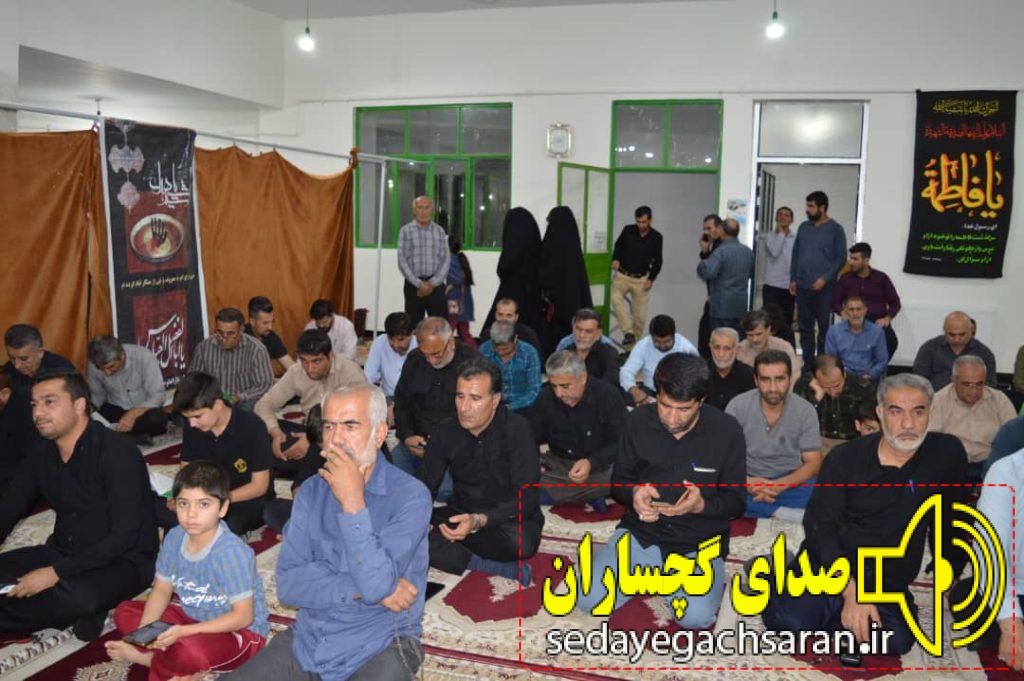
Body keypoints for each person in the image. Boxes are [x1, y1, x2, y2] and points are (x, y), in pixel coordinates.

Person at [226, 384, 430, 680]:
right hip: (310, 640)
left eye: (350, 426)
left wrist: (353, 503)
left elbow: (375, 586)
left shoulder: (411, 496)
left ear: (379, 433)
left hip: (380, 642)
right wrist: (361, 588)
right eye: (329, 426)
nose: (336, 439)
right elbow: (289, 587)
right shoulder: (311, 491)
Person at [761, 373, 969, 657]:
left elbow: (952, 519)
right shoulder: (844, 460)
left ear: (930, 413)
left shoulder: (945, 455)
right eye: (896, 412)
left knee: (895, 641)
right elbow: (821, 527)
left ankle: (841, 621)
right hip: (830, 567)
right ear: (880, 413)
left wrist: (951, 570)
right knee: (789, 624)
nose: (908, 424)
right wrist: (851, 592)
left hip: (886, 577)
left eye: (918, 412)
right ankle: (777, 573)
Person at [573, 353, 745, 627]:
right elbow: (619, 483)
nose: (672, 417)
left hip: (698, 543)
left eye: (683, 409)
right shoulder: (637, 421)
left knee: (695, 617)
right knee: (587, 599)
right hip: (642, 534)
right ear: (657, 394)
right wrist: (634, 495)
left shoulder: (727, 431)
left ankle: (670, 580)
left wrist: (701, 505)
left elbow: (736, 502)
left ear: (701, 401)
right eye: (665, 405)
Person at [0, 370, 157, 641]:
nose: (38, 413)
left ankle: (79, 607)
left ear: (79, 405)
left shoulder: (117, 452)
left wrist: (55, 573)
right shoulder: (41, 449)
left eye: (49, 402)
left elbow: (124, 536)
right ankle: (70, 609)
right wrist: (57, 568)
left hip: (124, 560)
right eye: (34, 404)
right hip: (65, 550)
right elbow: (10, 506)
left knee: (79, 597)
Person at [106, 461, 269, 680]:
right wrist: (146, 631)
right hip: (191, 618)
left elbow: (243, 617)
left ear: (223, 508)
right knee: (125, 612)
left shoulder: (232, 553)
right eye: (183, 504)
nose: (191, 514)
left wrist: (185, 632)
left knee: (189, 651)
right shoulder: (174, 537)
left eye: (203, 504)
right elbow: (162, 589)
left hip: (237, 632)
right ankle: (170, 661)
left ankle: (154, 661)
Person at [419, 359, 542, 586]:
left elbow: (528, 498)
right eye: (460, 396)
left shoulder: (517, 429)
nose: (464, 407)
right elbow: (425, 485)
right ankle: (491, 566)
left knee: (521, 544)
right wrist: (418, 518)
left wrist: (479, 521)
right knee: (403, 530)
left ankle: (459, 548)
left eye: (475, 398)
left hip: (506, 516)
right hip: (462, 511)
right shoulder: (445, 431)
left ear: (495, 400)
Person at [174, 373, 275, 536]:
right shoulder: (194, 427)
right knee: (172, 515)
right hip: (207, 496)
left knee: (226, 525)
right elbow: (187, 470)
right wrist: (183, 498)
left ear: (218, 405)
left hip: (245, 498)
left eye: (197, 416)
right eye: (188, 418)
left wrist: (217, 500)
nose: (192, 424)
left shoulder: (252, 427)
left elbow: (259, 486)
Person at [726, 350, 821, 521]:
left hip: (790, 481)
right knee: (717, 486)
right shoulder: (737, 406)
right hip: (748, 479)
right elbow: (724, 459)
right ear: (756, 380)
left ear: (790, 379)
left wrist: (779, 485)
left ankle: (760, 509)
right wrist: (747, 483)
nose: (773, 388)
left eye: (779, 379)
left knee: (826, 489)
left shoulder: (805, 410)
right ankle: (780, 511)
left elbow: (813, 463)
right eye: (765, 379)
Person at [392, 317, 478, 498]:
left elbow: (478, 417)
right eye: (426, 355)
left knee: (443, 492)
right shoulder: (415, 359)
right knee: (390, 478)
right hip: (417, 441)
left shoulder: (473, 364)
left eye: (436, 354)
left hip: (453, 446)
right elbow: (402, 402)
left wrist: (442, 445)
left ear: (450, 342)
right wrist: (407, 436)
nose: (431, 361)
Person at [529, 351, 626, 506]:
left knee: (623, 474)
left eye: (565, 386)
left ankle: (572, 494)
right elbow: (530, 436)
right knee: (516, 468)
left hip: (600, 467)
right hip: (559, 465)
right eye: (554, 386)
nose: (558, 393)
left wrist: (591, 463)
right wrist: (534, 462)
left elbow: (622, 442)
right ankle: (589, 495)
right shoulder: (546, 397)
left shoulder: (607, 395)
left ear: (582, 378)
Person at [961, 451, 1024, 670]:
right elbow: (989, 551)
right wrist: (1011, 624)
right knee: (969, 602)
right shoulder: (1007, 471)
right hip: (1013, 587)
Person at [927, 355, 1016, 479]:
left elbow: (1013, 437)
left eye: (979, 384)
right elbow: (931, 441)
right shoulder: (938, 401)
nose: (974, 391)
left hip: (991, 464)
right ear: (953, 380)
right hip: (951, 465)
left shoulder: (999, 400)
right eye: (967, 384)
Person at [2, 324, 75, 470]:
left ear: (40, 352)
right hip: (16, 442)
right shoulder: (9, 370)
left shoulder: (61, 371)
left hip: (50, 441)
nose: (17, 365)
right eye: (12, 358)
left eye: (23, 359)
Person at [789, 190, 847, 366]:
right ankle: (808, 364)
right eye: (807, 205)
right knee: (805, 328)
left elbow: (841, 258)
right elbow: (796, 254)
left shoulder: (836, 229)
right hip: (802, 287)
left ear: (822, 208)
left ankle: (822, 364)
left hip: (825, 289)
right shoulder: (803, 227)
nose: (807, 209)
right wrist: (793, 278)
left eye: (811, 206)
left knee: (823, 328)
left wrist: (825, 278)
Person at [86, 335, 168, 441]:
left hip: (143, 410)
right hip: (117, 411)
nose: (107, 373)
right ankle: (132, 436)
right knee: (94, 420)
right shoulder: (93, 365)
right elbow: (98, 396)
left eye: (111, 367)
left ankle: (120, 436)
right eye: (102, 369)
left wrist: (133, 413)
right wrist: (91, 410)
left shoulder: (143, 357)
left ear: (122, 355)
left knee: (157, 419)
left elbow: (158, 396)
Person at [190, 308, 273, 412]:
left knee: (249, 408)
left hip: (244, 401)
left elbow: (264, 385)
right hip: (213, 401)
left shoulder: (256, 350)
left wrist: (238, 397)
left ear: (241, 330)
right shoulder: (204, 348)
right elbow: (194, 379)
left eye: (230, 334)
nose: (224, 338)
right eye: (219, 332)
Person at [831, 242, 901, 359]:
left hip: (877, 321)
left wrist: (887, 318)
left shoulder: (881, 278)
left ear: (866, 260)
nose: (851, 262)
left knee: (891, 341)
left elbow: (895, 302)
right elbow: (834, 301)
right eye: (851, 258)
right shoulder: (845, 278)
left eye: (855, 259)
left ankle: (876, 367)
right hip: (854, 319)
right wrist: (842, 312)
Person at [481, 207, 543, 336]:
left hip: (510, 294)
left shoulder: (512, 252)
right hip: (532, 299)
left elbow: (503, 267)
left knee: (501, 335)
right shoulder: (537, 251)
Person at [794, 354, 876, 452]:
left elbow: (870, 423)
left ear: (844, 374)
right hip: (816, 443)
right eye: (826, 387)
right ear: (816, 379)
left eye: (837, 385)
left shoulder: (863, 387)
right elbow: (796, 421)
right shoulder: (804, 385)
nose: (832, 392)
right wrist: (816, 398)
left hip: (852, 443)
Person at [539, 206, 592, 357]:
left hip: (555, 308)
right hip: (574, 303)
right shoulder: (574, 247)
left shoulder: (550, 245)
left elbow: (544, 276)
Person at [610, 205, 664, 347]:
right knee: (615, 298)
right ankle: (628, 332)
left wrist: (651, 279)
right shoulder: (628, 230)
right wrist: (615, 259)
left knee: (639, 318)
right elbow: (618, 246)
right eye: (638, 222)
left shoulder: (657, 237)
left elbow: (658, 261)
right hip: (622, 276)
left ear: (650, 220)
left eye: (644, 222)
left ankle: (631, 350)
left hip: (641, 280)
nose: (641, 225)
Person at [618, 314, 699, 406]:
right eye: (657, 342)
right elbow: (626, 371)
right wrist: (634, 390)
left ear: (674, 335)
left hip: (679, 394)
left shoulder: (686, 348)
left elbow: (697, 376)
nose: (662, 346)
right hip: (651, 392)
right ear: (651, 336)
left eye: (666, 342)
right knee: (622, 397)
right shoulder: (643, 345)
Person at [913, 310, 997, 391]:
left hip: (970, 399)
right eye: (952, 334)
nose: (957, 339)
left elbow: (989, 386)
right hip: (935, 398)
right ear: (944, 331)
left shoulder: (984, 353)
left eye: (962, 334)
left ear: (971, 331)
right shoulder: (929, 348)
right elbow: (918, 381)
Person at [697, 217, 754, 333]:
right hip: (740, 306)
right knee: (737, 340)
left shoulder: (720, 251)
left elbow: (708, 273)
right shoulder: (748, 252)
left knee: (721, 338)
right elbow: (751, 274)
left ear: (722, 231)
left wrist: (702, 262)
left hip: (721, 306)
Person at [397, 195, 450, 320]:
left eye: (427, 208)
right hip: (413, 286)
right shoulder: (405, 231)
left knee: (439, 326)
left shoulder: (440, 231)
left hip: (436, 286)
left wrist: (432, 283)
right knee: (413, 325)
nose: (423, 211)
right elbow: (402, 261)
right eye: (420, 207)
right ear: (414, 210)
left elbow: (446, 260)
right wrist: (419, 284)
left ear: (432, 210)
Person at [479, 320, 541, 412]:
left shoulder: (529, 353)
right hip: (492, 406)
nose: (500, 352)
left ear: (515, 339)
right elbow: (479, 381)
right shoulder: (484, 350)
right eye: (496, 348)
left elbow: (534, 390)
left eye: (505, 349)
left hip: (523, 406)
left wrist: (510, 407)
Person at [824, 295, 889, 382]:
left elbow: (882, 361)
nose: (855, 313)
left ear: (865, 310)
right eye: (851, 309)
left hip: (868, 380)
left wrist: (870, 375)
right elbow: (831, 360)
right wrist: (841, 375)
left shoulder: (877, 332)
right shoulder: (834, 332)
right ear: (845, 311)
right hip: (843, 379)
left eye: (859, 309)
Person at [363, 311, 418, 407]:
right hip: (388, 399)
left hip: (415, 401)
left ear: (412, 334)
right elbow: (368, 377)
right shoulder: (380, 342)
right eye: (391, 339)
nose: (395, 345)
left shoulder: (420, 346)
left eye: (401, 339)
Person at [736, 309, 801, 388]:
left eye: (759, 334)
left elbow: (794, 375)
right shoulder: (740, 350)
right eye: (750, 335)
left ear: (768, 330)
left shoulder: (783, 347)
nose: (754, 339)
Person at [759, 206, 796, 343]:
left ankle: (786, 350)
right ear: (775, 218)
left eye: (786, 215)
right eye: (779, 214)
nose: (782, 217)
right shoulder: (769, 236)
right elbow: (775, 251)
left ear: (791, 220)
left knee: (786, 323)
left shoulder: (795, 239)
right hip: (772, 286)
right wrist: (781, 233)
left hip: (789, 287)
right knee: (770, 322)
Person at [560, 308, 620, 390]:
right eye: (579, 329)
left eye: (588, 331)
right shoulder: (565, 352)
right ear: (573, 329)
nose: (582, 335)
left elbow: (611, 385)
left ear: (598, 334)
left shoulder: (609, 353)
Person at [705, 327, 755, 411]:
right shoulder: (700, 373)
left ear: (737, 349)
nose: (721, 354)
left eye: (727, 348)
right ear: (710, 347)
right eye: (717, 347)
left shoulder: (748, 375)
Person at [697, 214, 724, 360]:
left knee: (708, 340)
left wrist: (705, 253)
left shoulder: (721, 247)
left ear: (719, 228)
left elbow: (709, 272)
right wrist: (705, 251)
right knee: (705, 338)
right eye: (704, 229)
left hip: (718, 301)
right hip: (714, 298)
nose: (706, 232)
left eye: (709, 228)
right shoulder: (715, 246)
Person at [246, 296, 294, 371]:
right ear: (252, 321)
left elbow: (291, 367)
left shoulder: (271, 336)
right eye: (265, 323)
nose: (270, 327)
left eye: (272, 322)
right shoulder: (240, 338)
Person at [445, 236, 477, 348]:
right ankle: (476, 353)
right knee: (464, 332)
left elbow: (457, 279)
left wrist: (448, 288)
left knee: (448, 331)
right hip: (464, 301)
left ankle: (445, 352)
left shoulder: (450, 260)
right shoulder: (461, 258)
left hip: (454, 301)